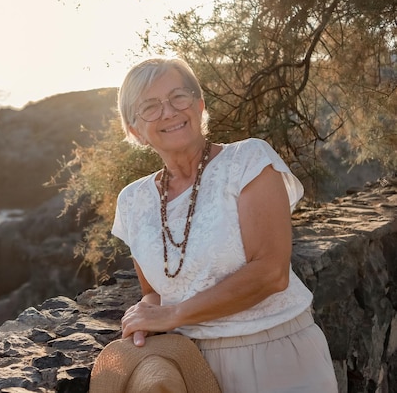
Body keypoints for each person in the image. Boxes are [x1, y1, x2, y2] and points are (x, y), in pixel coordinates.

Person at [90, 58, 338, 392]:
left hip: (276, 356)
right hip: (188, 367)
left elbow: (271, 273)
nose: (169, 112)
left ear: (199, 105)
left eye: (178, 97)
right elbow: (154, 292)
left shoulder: (248, 160)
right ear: (134, 130)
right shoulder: (133, 200)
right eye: (150, 106)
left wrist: (173, 315)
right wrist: (142, 316)